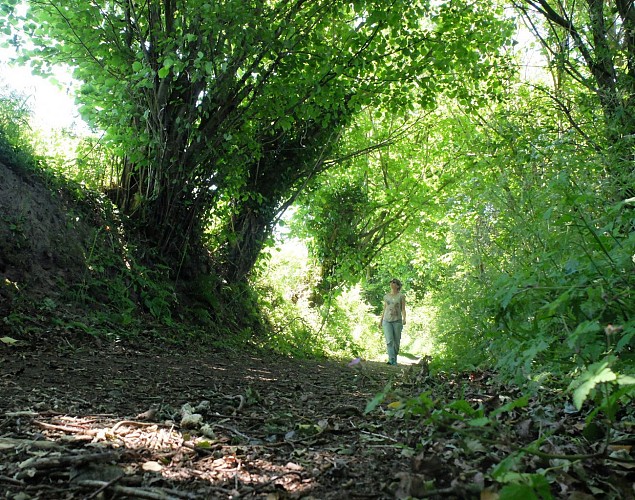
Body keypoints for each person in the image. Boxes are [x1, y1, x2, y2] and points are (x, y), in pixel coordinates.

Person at [379, 278, 406, 365]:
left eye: (394, 282)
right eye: (391, 282)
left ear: (398, 286)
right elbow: (385, 309)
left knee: (396, 341)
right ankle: (392, 360)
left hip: (397, 321)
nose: (392, 283)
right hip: (386, 321)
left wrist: (404, 318)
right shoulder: (386, 296)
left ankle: (395, 356)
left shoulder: (401, 296)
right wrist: (380, 321)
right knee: (389, 340)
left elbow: (403, 309)